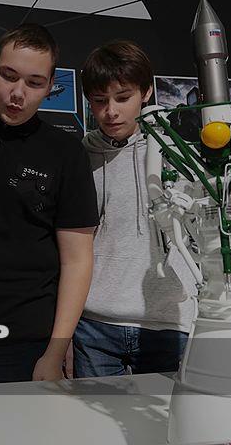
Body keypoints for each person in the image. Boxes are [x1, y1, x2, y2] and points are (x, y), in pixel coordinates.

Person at [0, 23, 99, 385]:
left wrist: (55, 352)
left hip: (22, 345)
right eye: (9, 76)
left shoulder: (66, 152)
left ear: (51, 85)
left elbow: (77, 260)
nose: (17, 93)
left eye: (34, 83)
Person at [73, 40, 195, 378]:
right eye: (100, 100)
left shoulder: (179, 154)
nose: (111, 111)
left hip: (169, 322)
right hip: (94, 325)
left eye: (123, 97)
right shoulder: (79, 158)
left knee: (169, 413)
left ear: (146, 92)